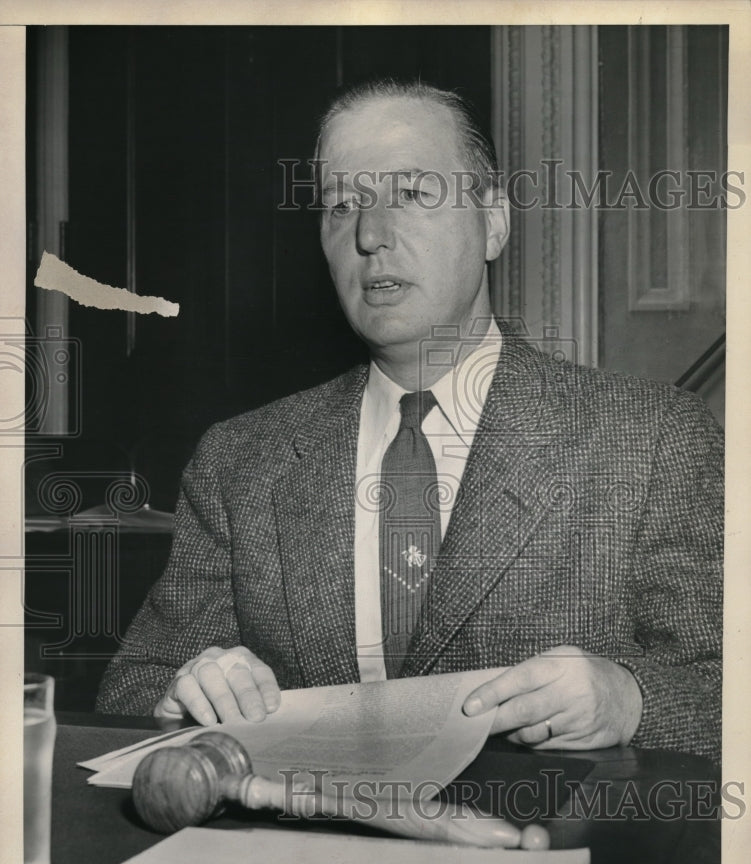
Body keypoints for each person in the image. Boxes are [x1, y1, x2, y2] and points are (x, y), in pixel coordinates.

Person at [96, 79, 723, 764]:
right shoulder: (240, 459)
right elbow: (135, 684)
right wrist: (184, 696)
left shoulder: (653, 439)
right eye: (341, 206)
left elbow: (725, 688)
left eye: (413, 194)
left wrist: (628, 697)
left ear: (492, 223)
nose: (369, 234)